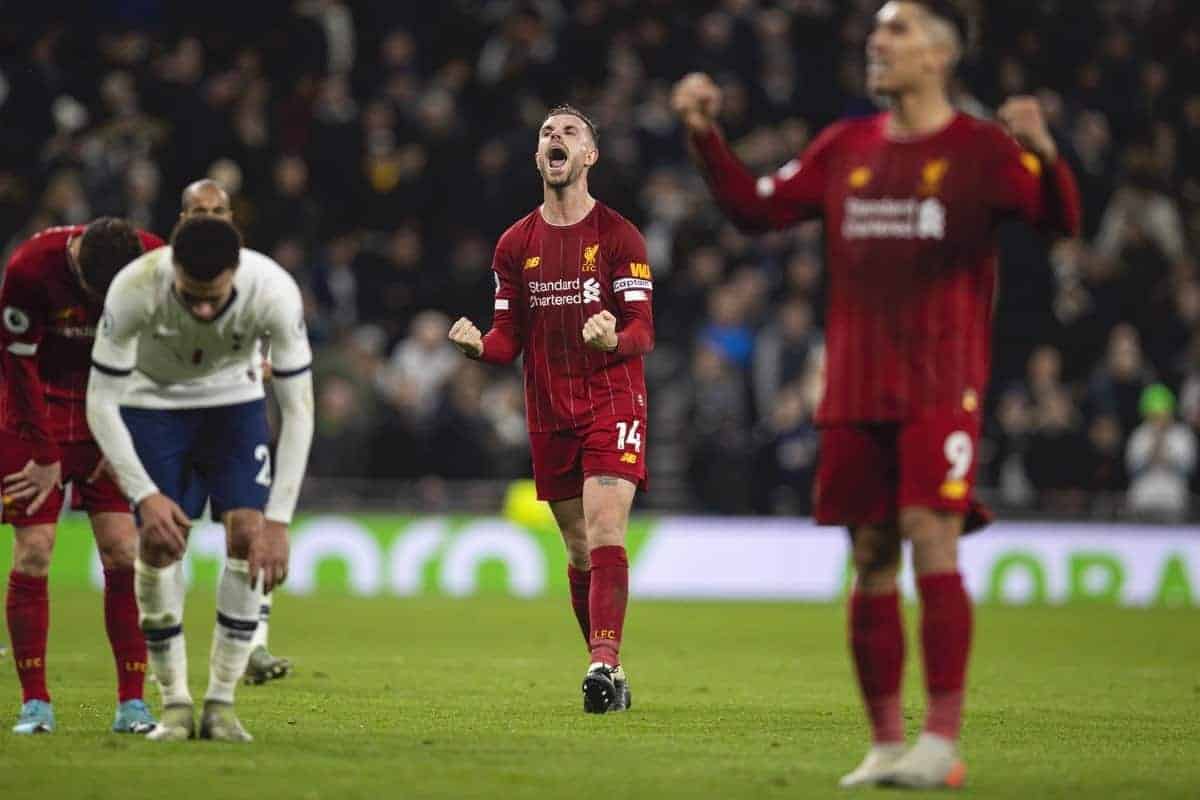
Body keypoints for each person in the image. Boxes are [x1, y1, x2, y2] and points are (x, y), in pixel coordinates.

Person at [673, 0, 1081, 788]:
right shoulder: (846, 145)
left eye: (896, 30)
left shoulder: (982, 150)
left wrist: (1046, 152)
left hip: (940, 381)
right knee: (867, 553)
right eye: (877, 28)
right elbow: (754, 210)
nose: (877, 41)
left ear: (938, 55)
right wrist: (703, 136)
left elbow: (1059, 224)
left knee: (931, 530)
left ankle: (941, 738)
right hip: (856, 383)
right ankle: (887, 743)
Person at [448, 105, 654, 714]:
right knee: (577, 547)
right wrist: (478, 347)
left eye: (569, 132)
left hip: (613, 397)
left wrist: (611, 339)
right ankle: (606, 662)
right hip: (549, 405)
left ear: (590, 156)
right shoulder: (516, 244)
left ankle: (603, 663)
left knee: (607, 525)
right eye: (546, 134)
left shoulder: (619, 236)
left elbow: (643, 329)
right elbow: (508, 337)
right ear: (538, 159)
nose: (555, 139)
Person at [85, 216, 314, 742]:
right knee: (161, 544)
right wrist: (142, 495)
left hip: (233, 403)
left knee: (248, 535)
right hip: (153, 405)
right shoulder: (136, 286)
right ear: (172, 273)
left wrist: (279, 520)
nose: (205, 309)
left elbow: (298, 410)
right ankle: (175, 704)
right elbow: (100, 401)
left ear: (236, 271)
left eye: (214, 296)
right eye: (193, 296)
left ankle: (221, 703)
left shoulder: (273, 289)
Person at [0, 218, 163, 735]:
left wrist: (123, 433)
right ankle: (35, 704)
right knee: (35, 550)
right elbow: (16, 363)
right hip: (34, 411)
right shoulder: (29, 269)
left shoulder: (156, 263)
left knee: (122, 551)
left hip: (108, 409)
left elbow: (160, 355)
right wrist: (45, 452)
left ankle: (133, 704)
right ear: (76, 266)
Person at [179, 179, 294, 686]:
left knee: (247, 531)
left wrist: (266, 368)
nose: (209, 216)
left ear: (232, 217)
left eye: (218, 209)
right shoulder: (156, 277)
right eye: (199, 209)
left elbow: (278, 348)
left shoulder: (262, 278)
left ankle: (252, 646)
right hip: (177, 422)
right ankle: (163, 650)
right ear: (182, 218)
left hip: (240, 417)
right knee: (166, 538)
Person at [1126, 384, 1196, 521]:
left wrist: (1167, 454)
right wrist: (1152, 450)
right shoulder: (1139, 435)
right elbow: (1132, 469)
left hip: (1173, 501)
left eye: (1163, 413)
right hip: (1142, 500)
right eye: (1154, 415)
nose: (1159, 419)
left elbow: (1188, 470)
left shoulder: (1182, 435)